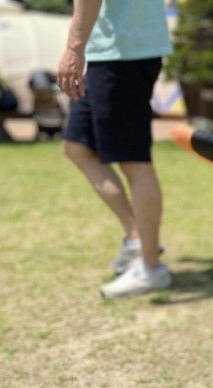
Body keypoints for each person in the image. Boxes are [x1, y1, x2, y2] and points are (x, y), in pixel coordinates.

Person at [57, 0, 173, 298]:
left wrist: (73, 49)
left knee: (133, 161)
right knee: (78, 146)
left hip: (123, 53)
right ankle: (137, 238)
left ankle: (151, 268)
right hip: (109, 50)